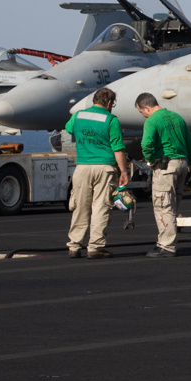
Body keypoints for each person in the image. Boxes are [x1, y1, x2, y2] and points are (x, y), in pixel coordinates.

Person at [63, 87, 130, 259]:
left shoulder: (78, 115)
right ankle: (95, 247)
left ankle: (74, 245)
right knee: (101, 207)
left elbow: (69, 128)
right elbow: (118, 148)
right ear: (108, 103)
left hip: (83, 166)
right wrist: (123, 171)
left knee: (80, 206)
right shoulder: (111, 120)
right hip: (105, 168)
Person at [135, 92, 191, 258]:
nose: (143, 115)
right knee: (173, 205)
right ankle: (165, 242)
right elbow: (190, 142)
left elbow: (146, 143)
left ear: (146, 107)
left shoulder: (152, 120)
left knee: (163, 206)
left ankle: (166, 246)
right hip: (182, 164)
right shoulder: (177, 117)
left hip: (166, 166)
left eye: (142, 112)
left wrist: (150, 160)